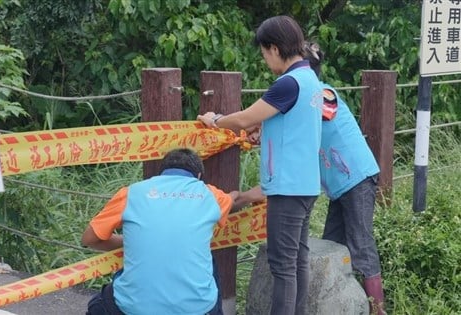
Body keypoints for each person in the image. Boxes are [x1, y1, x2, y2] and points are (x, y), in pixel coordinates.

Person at [198, 15, 323, 315]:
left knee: (282, 266)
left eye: (265, 53)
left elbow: (244, 118)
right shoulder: (310, 79)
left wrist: (214, 120)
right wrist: (264, 133)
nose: (266, 60)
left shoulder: (288, 83)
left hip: (287, 187)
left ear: (275, 48)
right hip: (306, 183)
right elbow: (290, 125)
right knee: (297, 261)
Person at [82, 148, 265, 315]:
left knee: (99, 305)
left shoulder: (132, 192)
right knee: (210, 264)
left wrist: (130, 241)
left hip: (133, 308)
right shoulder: (211, 195)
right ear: (199, 176)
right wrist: (250, 195)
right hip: (196, 309)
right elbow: (233, 199)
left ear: (161, 173)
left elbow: (90, 238)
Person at [303, 41, 386, 315]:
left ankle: (377, 308)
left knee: (360, 242)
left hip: (357, 178)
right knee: (332, 242)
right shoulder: (305, 96)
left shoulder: (322, 92)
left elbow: (324, 112)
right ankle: (340, 302)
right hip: (341, 185)